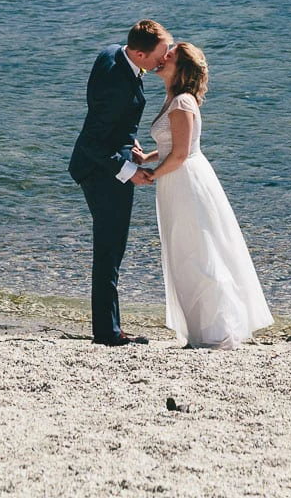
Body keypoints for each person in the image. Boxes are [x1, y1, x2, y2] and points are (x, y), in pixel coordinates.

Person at [141, 41, 273, 348]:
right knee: (186, 252)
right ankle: (201, 329)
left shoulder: (182, 103)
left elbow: (180, 154)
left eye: (169, 57)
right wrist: (145, 158)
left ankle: (217, 331)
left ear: (181, 67)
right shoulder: (173, 99)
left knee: (199, 253)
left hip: (185, 180)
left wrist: (151, 175)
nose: (161, 60)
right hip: (177, 180)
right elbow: (169, 146)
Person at [68, 19, 170, 346]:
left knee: (110, 251)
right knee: (110, 252)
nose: (164, 60)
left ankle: (108, 327)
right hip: (104, 173)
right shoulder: (118, 84)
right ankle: (108, 333)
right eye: (160, 54)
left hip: (109, 160)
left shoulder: (111, 52)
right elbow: (91, 142)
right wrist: (129, 171)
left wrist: (130, 143)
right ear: (139, 54)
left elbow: (108, 121)